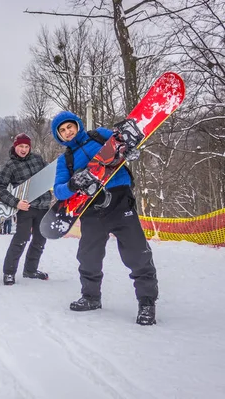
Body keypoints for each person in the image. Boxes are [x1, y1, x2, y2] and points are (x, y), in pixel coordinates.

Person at [50, 111, 159, 325]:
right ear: (59, 137)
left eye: (69, 126)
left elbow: (123, 145)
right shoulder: (66, 161)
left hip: (119, 199)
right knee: (88, 255)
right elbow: (59, 191)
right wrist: (73, 184)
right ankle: (91, 297)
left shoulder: (99, 136)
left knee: (137, 253)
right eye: (62, 131)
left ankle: (146, 303)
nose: (67, 132)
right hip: (92, 207)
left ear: (77, 125)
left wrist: (130, 150)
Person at [0, 133, 52, 286]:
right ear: (15, 146)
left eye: (26, 146)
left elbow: (50, 176)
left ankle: (30, 270)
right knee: (21, 239)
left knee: (40, 240)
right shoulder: (10, 165)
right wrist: (16, 202)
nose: (24, 149)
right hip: (26, 208)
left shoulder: (37, 159)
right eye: (21, 146)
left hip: (44, 205)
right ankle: (9, 273)